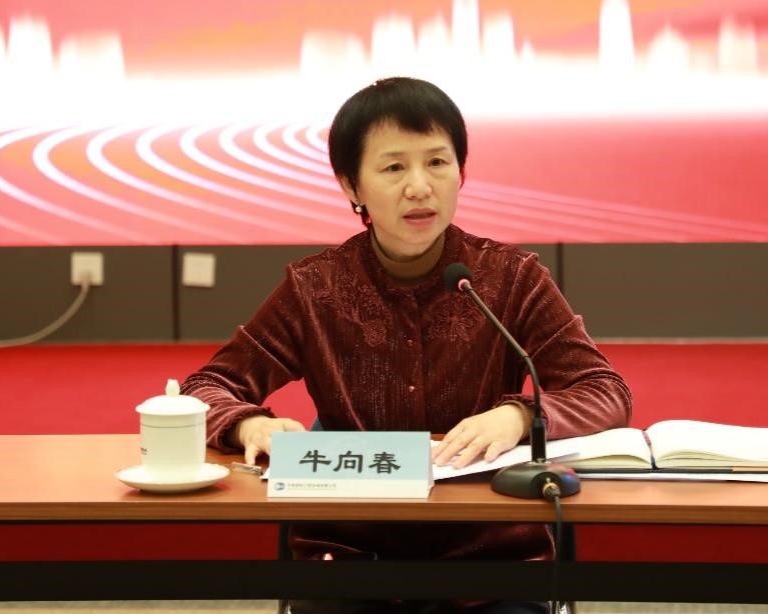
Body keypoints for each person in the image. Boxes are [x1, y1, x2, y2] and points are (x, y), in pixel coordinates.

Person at [181, 76, 633, 614]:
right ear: (352, 187)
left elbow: (604, 390)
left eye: (437, 162)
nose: (419, 187)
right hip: (351, 554)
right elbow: (206, 387)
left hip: (490, 553)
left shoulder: (511, 279)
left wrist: (520, 415)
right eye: (394, 168)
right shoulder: (315, 288)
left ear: (461, 173)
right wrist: (247, 424)